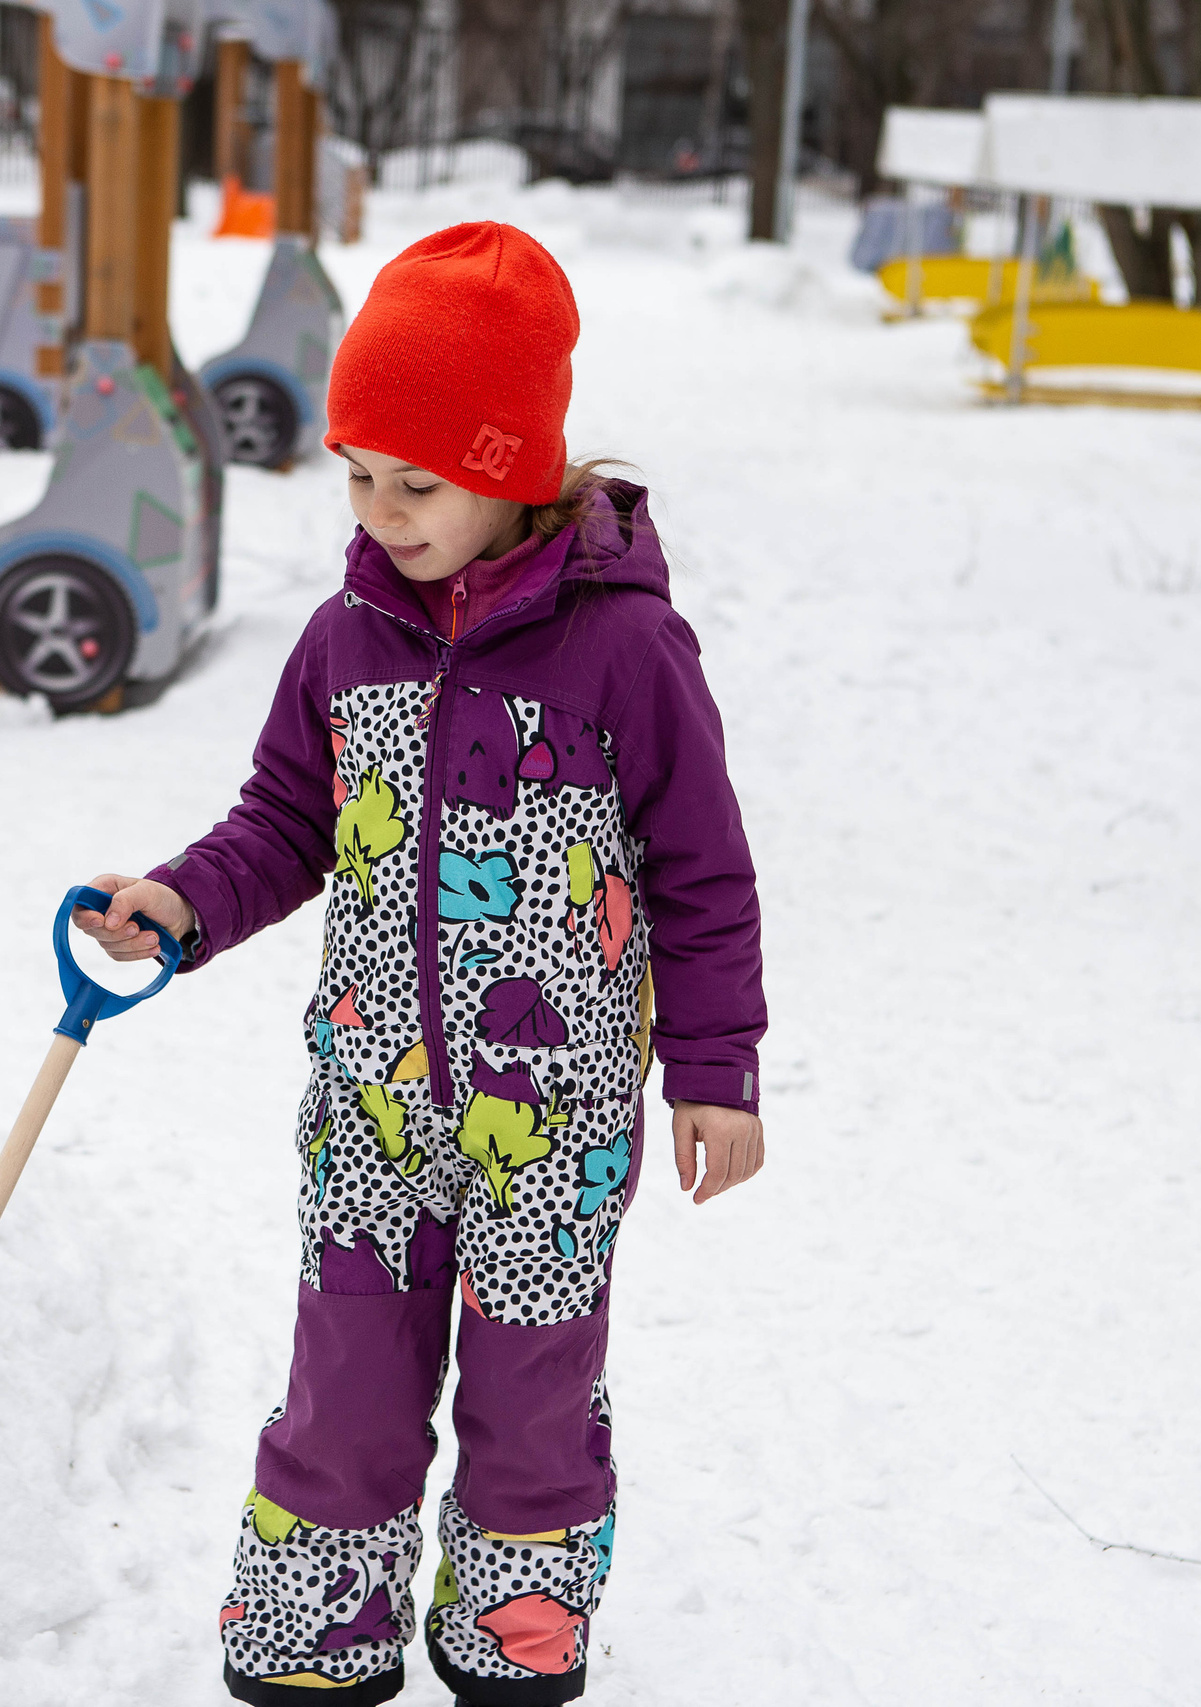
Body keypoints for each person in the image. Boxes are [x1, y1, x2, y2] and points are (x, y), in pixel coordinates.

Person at [74, 221, 767, 1707]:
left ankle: (508, 1641)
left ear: (517, 469)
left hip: (555, 1135)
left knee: (532, 1402)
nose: (379, 511)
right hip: (373, 1108)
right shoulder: (346, 639)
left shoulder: (625, 656)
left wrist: (714, 1069)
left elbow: (705, 872)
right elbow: (283, 820)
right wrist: (184, 906)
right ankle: (317, 1638)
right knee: (349, 1386)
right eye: (357, 474)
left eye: (419, 482)